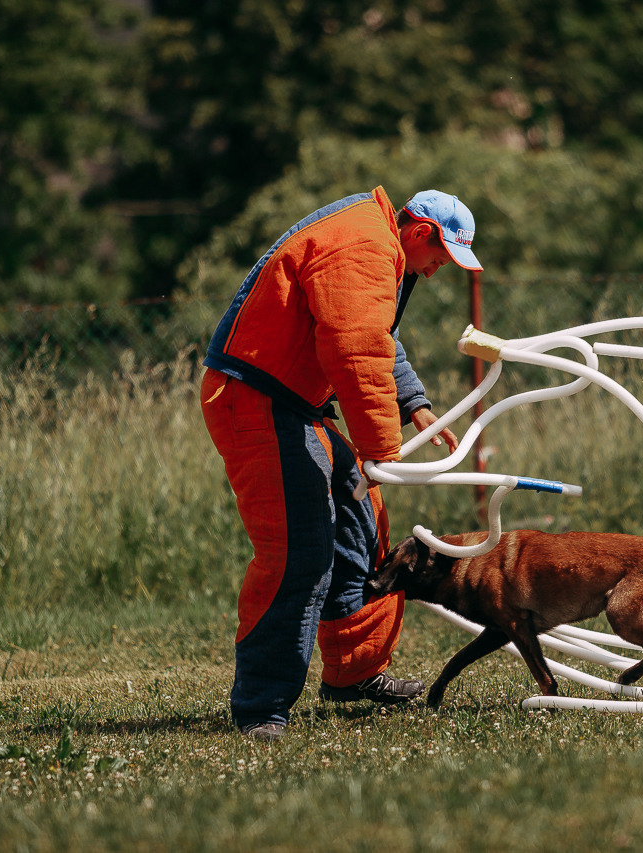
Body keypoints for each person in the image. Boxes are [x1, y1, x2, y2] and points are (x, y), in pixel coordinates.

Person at [200, 187, 481, 741]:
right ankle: (262, 706)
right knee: (297, 553)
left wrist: (415, 407)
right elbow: (353, 349)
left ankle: (355, 673)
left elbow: (379, 338)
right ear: (421, 233)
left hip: (297, 404)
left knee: (360, 520)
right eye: (440, 260)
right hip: (257, 400)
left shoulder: (380, 245)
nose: (434, 273)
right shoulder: (361, 246)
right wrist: (380, 446)